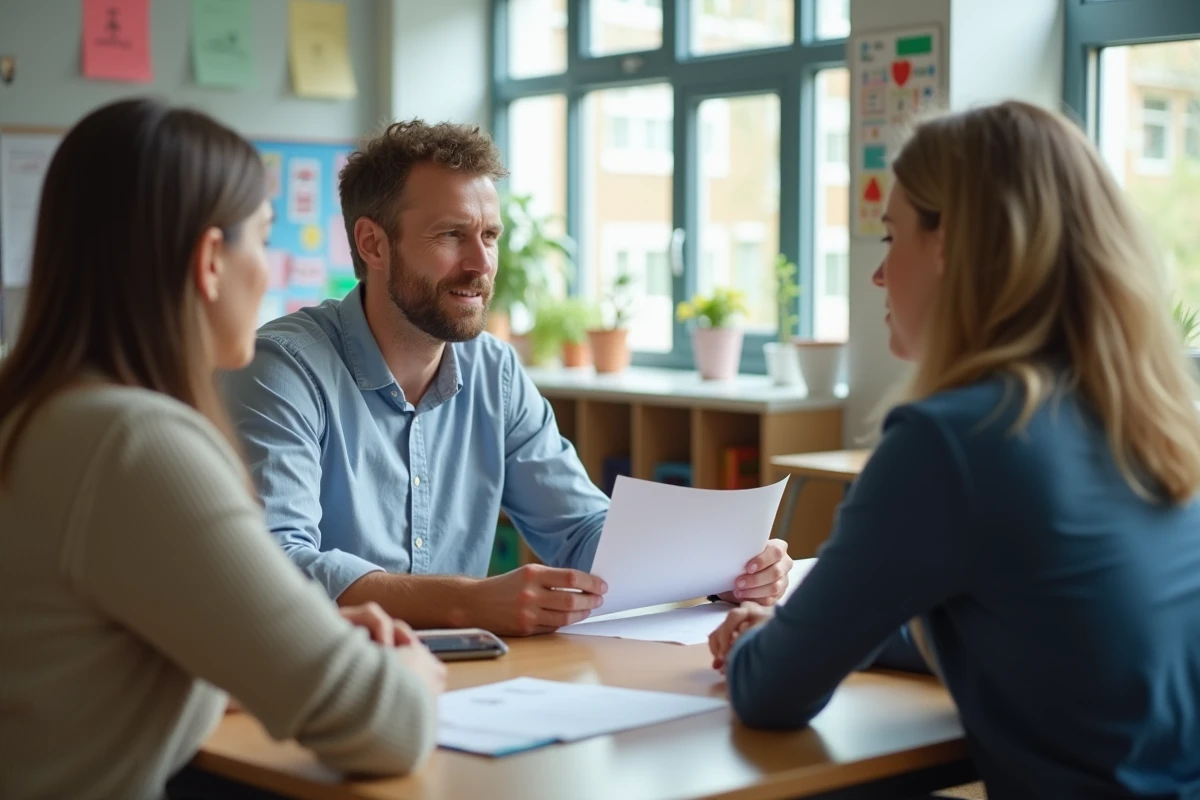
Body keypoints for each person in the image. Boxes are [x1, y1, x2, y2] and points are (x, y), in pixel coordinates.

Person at [709, 101, 1200, 799]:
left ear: (948, 246)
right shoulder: (1144, 410)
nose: (879, 276)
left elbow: (770, 694)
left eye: (890, 237)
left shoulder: (953, 440)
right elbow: (1027, 632)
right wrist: (823, 629)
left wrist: (773, 644)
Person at [0, 99, 445, 800]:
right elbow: (383, 727)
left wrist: (300, 636)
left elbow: (89, 667)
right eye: (262, 241)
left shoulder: (35, 412)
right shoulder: (134, 443)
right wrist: (413, 674)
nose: (267, 274)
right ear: (211, 260)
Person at [222, 119, 793, 636]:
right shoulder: (282, 369)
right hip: (314, 685)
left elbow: (581, 532)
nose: (481, 264)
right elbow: (277, 564)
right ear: (373, 243)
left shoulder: (493, 371)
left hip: (463, 684)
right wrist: (465, 605)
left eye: (489, 236)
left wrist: (720, 569)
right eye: (451, 235)